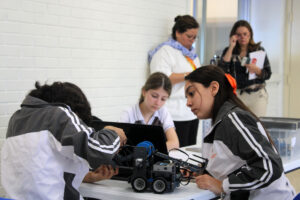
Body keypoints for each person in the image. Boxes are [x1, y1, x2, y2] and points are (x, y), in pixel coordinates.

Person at [184, 65, 295, 200]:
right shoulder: (219, 124)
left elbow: (270, 167)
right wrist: (199, 173)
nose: (188, 103)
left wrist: (222, 186)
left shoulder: (232, 120)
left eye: (191, 94)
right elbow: (232, 166)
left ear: (214, 88)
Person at [1, 81, 127, 200]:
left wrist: (87, 177)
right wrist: (113, 133)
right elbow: (100, 150)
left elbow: (39, 172)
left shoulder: (17, 119)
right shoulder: (58, 113)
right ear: (73, 113)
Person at [149, 15, 201, 147]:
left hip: (191, 112)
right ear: (178, 33)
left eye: (195, 37)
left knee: (190, 152)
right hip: (173, 113)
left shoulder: (191, 54)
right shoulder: (165, 51)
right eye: (189, 36)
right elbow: (160, 79)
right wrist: (188, 75)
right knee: (176, 154)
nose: (192, 40)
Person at [219, 20, 272, 117]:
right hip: (237, 95)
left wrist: (257, 70)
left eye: (245, 34)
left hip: (256, 95)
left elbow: (268, 74)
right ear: (234, 36)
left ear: (250, 34)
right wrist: (231, 47)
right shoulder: (229, 51)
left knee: (256, 126)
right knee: (238, 125)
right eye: (239, 35)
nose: (242, 37)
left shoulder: (258, 50)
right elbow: (222, 69)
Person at [119, 72, 179, 151]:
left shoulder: (163, 112)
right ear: (144, 91)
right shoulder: (128, 113)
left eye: (163, 99)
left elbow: (174, 143)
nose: (158, 103)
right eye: (154, 96)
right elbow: (118, 142)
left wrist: (149, 151)